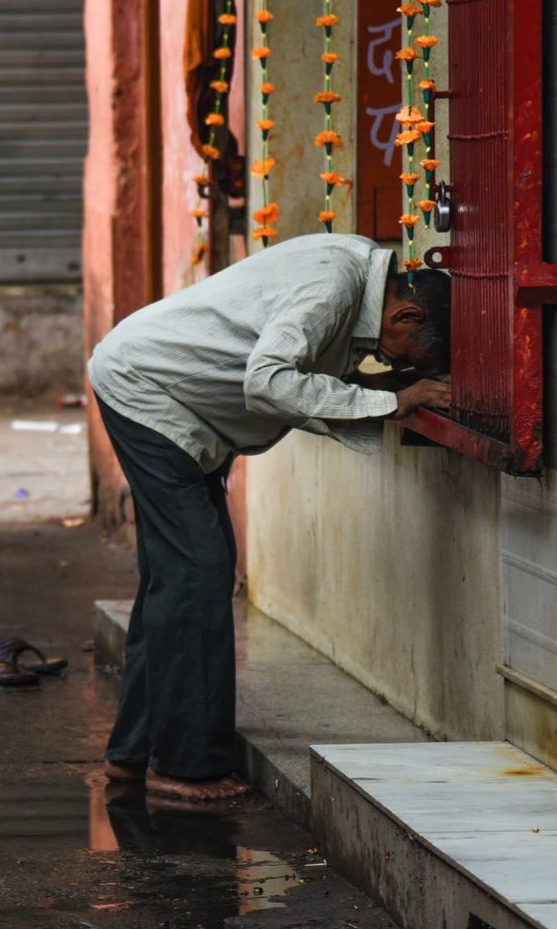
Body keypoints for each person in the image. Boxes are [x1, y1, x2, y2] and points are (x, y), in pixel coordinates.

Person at [88, 233, 453, 801]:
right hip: (148, 393)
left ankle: (132, 754)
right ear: (406, 311)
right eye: (401, 352)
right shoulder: (333, 285)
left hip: (165, 396)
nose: (390, 360)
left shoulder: (355, 277)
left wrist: (383, 389)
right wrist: (393, 400)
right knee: (199, 572)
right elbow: (270, 381)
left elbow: (303, 375)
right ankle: (184, 765)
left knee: (178, 578)